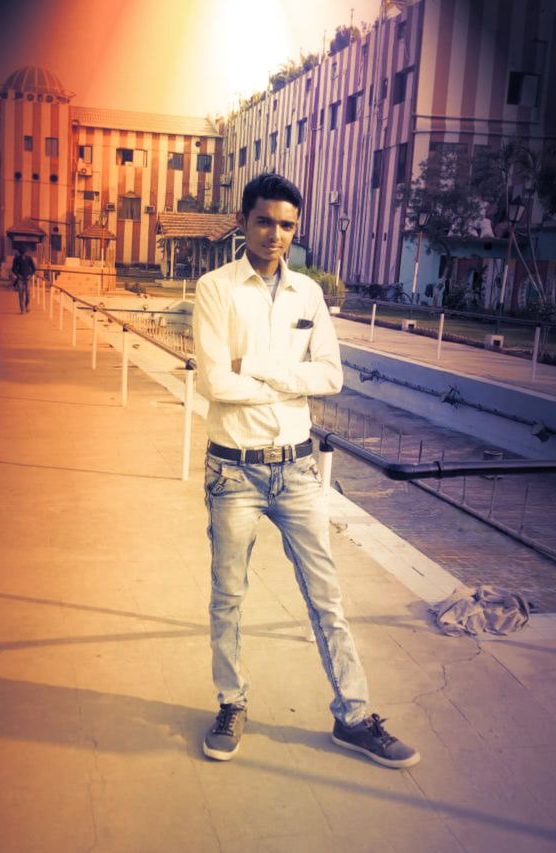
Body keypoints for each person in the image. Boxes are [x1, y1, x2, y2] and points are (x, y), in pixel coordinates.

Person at [192, 173, 420, 769]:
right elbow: (214, 382)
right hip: (234, 474)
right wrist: (289, 384)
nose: (276, 235)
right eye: (264, 221)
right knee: (228, 598)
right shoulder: (216, 289)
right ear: (242, 221)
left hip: (296, 470)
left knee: (326, 598)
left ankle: (353, 716)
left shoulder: (309, 295)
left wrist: (256, 367)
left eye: (287, 225)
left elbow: (331, 377)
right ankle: (231, 703)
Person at [12, 246, 35, 313]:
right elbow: (13, 269)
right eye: (21, 253)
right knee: (21, 293)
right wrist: (18, 275)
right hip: (20, 278)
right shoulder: (17, 259)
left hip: (27, 278)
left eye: (24, 253)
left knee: (27, 292)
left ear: (25, 253)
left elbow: (34, 268)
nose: (23, 255)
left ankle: (27, 306)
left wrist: (30, 275)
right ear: (20, 253)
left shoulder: (29, 258)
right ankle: (22, 309)